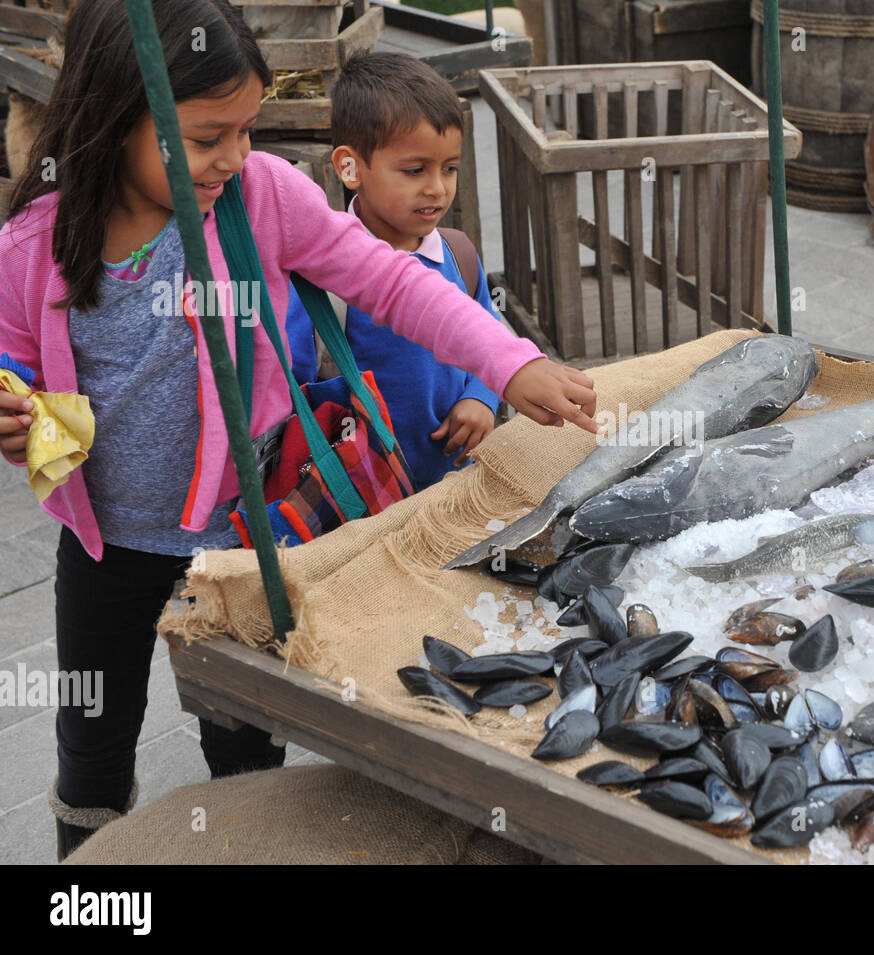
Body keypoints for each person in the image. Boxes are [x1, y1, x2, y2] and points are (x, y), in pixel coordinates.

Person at [0, 0, 598, 861]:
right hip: (107, 551)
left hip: (246, 546)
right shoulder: (35, 244)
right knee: (91, 746)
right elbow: (17, 372)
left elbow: (398, 286)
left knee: (245, 751)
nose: (235, 157)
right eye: (208, 137)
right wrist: (16, 419)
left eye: (246, 130)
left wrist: (508, 363)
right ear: (115, 116)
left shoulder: (261, 198)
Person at [284, 53, 501, 489]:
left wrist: (483, 398)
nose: (437, 188)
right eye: (415, 170)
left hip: (456, 488)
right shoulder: (319, 280)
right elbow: (292, 391)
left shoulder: (458, 256)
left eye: (450, 168)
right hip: (361, 506)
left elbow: (492, 340)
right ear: (350, 167)